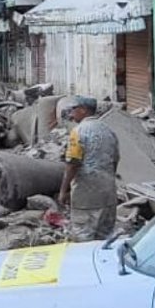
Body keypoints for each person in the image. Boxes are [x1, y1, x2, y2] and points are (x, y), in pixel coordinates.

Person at [57, 96, 121, 241]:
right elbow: (115, 160)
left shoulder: (78, 132)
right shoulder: (108, 130)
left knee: (83, 238)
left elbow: (73, 164)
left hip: (86, 196)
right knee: (105, 239)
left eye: (74, 109)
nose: (71, 113)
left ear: (83, 110)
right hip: (108, 194)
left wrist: (63, 190)